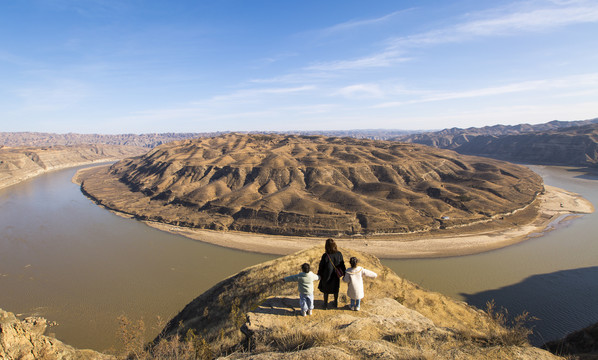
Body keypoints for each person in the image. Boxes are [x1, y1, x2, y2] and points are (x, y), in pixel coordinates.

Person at [317, 238, 346, 309]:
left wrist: (319, 274)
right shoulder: (339, 254)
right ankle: (335, 303)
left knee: (326, 290)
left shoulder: (325, 255)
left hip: (326, 275)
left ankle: (325, 305)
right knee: (336, 289)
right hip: (336, 276)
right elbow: (342, 265)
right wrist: (344, 273)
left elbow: (321, 266)